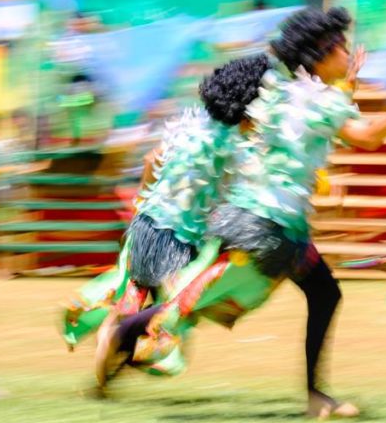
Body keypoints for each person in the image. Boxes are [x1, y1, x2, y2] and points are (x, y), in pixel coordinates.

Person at [96, 7, 386, 420]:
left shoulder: (284, 92)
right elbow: (367, 136)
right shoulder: (320, 99)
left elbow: (306, 130)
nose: (348, 52)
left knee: (255, 297)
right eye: (342, 46)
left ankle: (122, 339)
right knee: (227, 301)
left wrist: (348, 85)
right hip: (271, 228)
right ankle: (125, 334)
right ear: (321, 55)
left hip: (254, 219)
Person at [61, 54, 270, 351]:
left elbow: (151, 160)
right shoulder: (235, 147)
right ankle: (117, 335)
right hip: (178, 241)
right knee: (171, 315)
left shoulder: (192, 123)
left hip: (145, 226)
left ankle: (98, 324)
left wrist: (140, 210)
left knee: (134, 286)